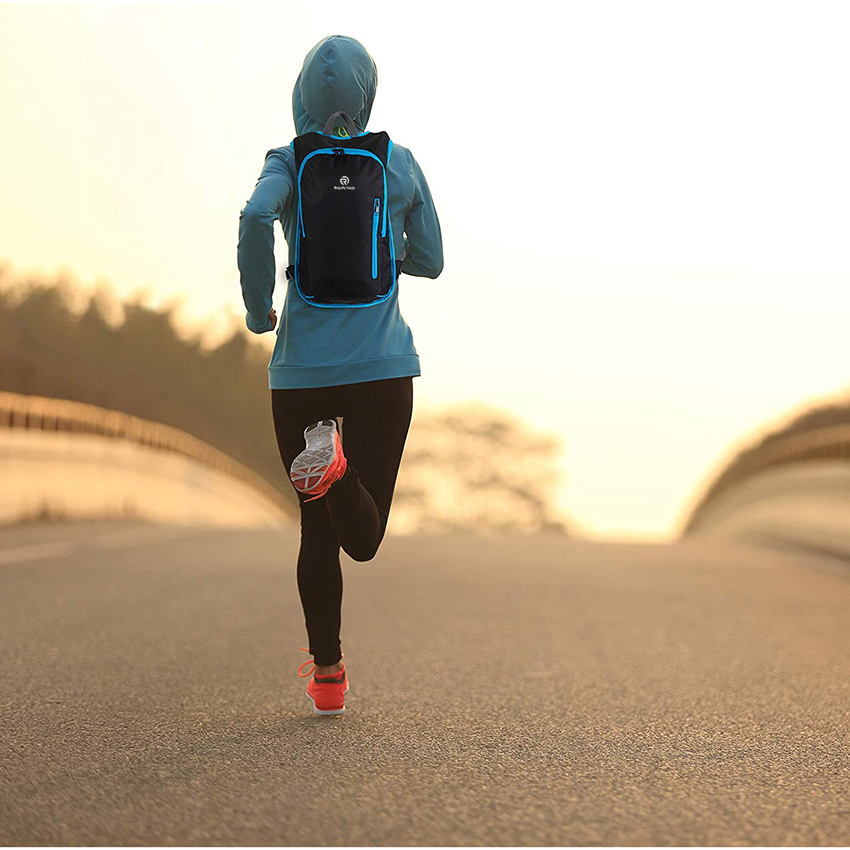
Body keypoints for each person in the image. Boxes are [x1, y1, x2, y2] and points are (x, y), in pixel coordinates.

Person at [237, 35, 443, 715]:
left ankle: (328, 673)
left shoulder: (286, 160)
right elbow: (433, 260)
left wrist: (259, 307)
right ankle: (336, 471)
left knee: (316, 532)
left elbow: (253, 217)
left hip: (302, 376)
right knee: (364, 535)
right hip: (383, 370)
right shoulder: (398, 161)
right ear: (367, 94)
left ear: (302, 96)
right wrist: (388, 255)